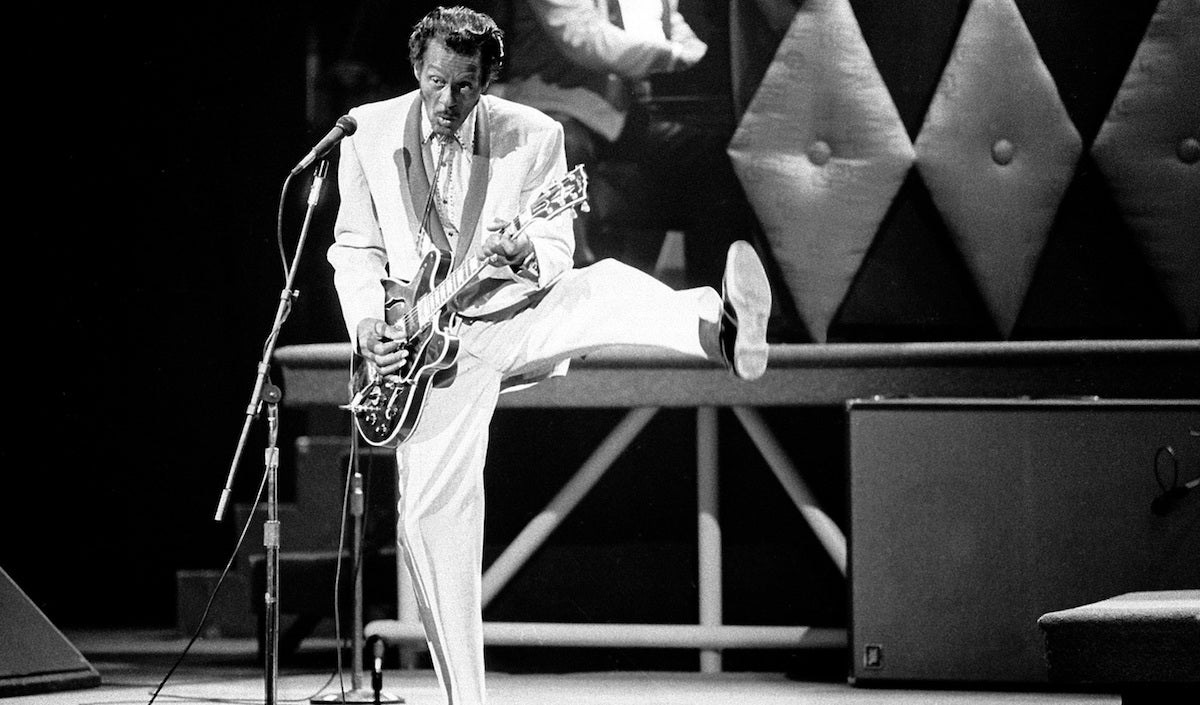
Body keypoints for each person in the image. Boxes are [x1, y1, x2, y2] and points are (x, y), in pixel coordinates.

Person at [326, 6, 771, 704]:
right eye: (437, 81)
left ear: (488, 80)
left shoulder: (533, 135)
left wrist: (526, 250)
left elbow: (560, 245)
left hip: (504, 316)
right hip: (418, 354)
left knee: (599, 287)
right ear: (417, 68)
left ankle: (717, 323)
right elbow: (354, 248)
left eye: (466, 86)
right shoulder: (365, 131)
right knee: (428, 518)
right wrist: (366, 328)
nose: (449, 100)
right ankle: (464, 698)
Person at [501, 0, 748, 285]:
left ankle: (710, 305)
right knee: (565, 146)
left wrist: (691, 48)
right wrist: (676, 55)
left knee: (715, 155)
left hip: (619, 114)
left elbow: (667, 22)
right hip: (556, 107)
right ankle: (572, 283)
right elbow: (585, 38)